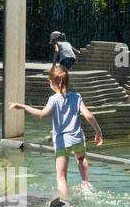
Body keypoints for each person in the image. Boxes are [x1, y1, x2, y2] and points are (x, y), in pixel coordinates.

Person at [9, 65, 104, 197]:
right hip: (78, 139)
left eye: (49, 81)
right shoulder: (76, 97)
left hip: (62, 143)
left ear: (54, 82)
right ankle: (86, 184)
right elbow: (89, 116)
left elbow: (42, 114)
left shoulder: (53, 99)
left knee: (61, 177)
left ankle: (65, 202)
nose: (49, 83)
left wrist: (23, 106)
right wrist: (98, 131)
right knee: (81, 159)